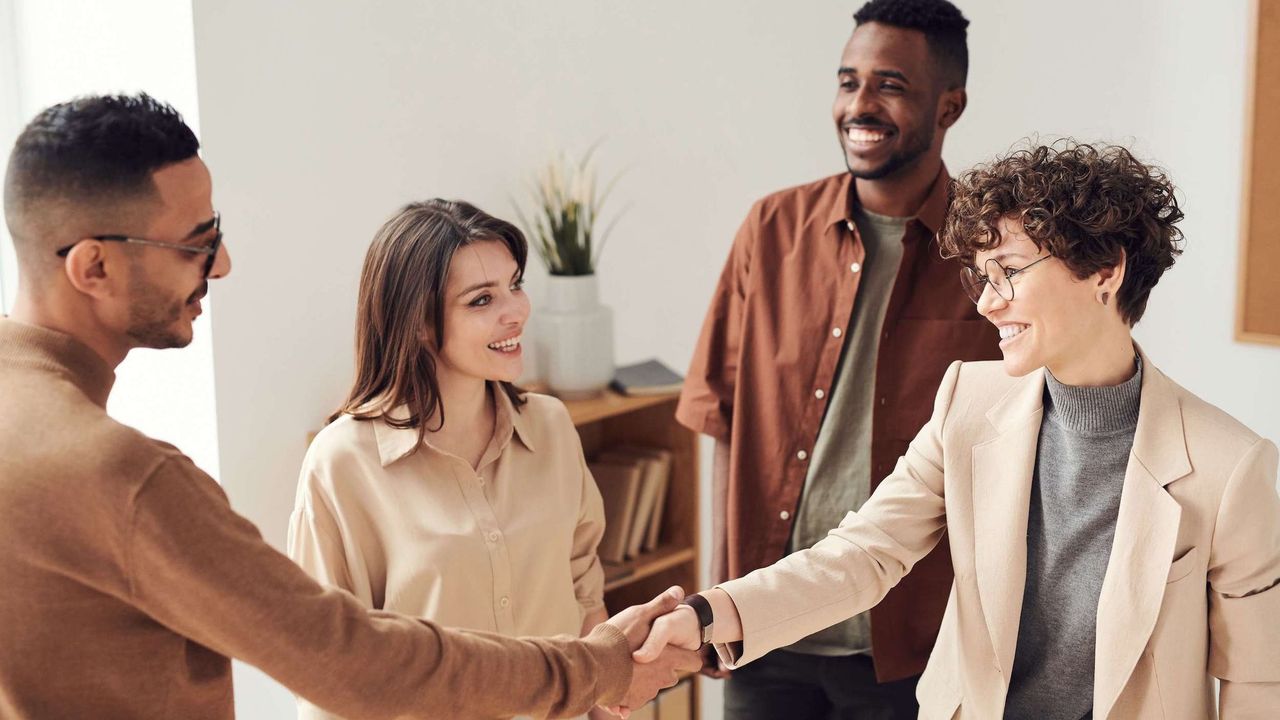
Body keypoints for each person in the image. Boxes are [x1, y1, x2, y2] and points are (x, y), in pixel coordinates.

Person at [0, 92, 698, 719]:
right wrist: (596, 668)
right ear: (92, 266)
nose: (223, 265)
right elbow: (348, 662)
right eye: (196, 245)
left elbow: (577, 576)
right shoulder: (123, 476)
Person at [640, 142, 1280, 718]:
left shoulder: (1230, 465)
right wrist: (708, 614)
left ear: (1106, 272)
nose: (987, 302)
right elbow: (864, 553)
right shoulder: (967, 403)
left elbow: (1259, 681)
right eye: (982, 276)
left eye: (1010, 271)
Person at [675, 0, 998, 716]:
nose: (859, 106)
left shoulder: (989, 253)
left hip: (913, 647)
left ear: (949, 107)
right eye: (849, 82)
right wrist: (718, 599)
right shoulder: (770, 229)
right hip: (763, 631)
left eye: (890, 86)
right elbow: (724, 420)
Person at [288, 199, 611, 720]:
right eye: (482, 299)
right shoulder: (343, 463)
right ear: (418, 322)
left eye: (515, 284)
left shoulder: (551, 427)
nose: (515, 311)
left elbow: (585, 594)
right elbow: (326, 668)